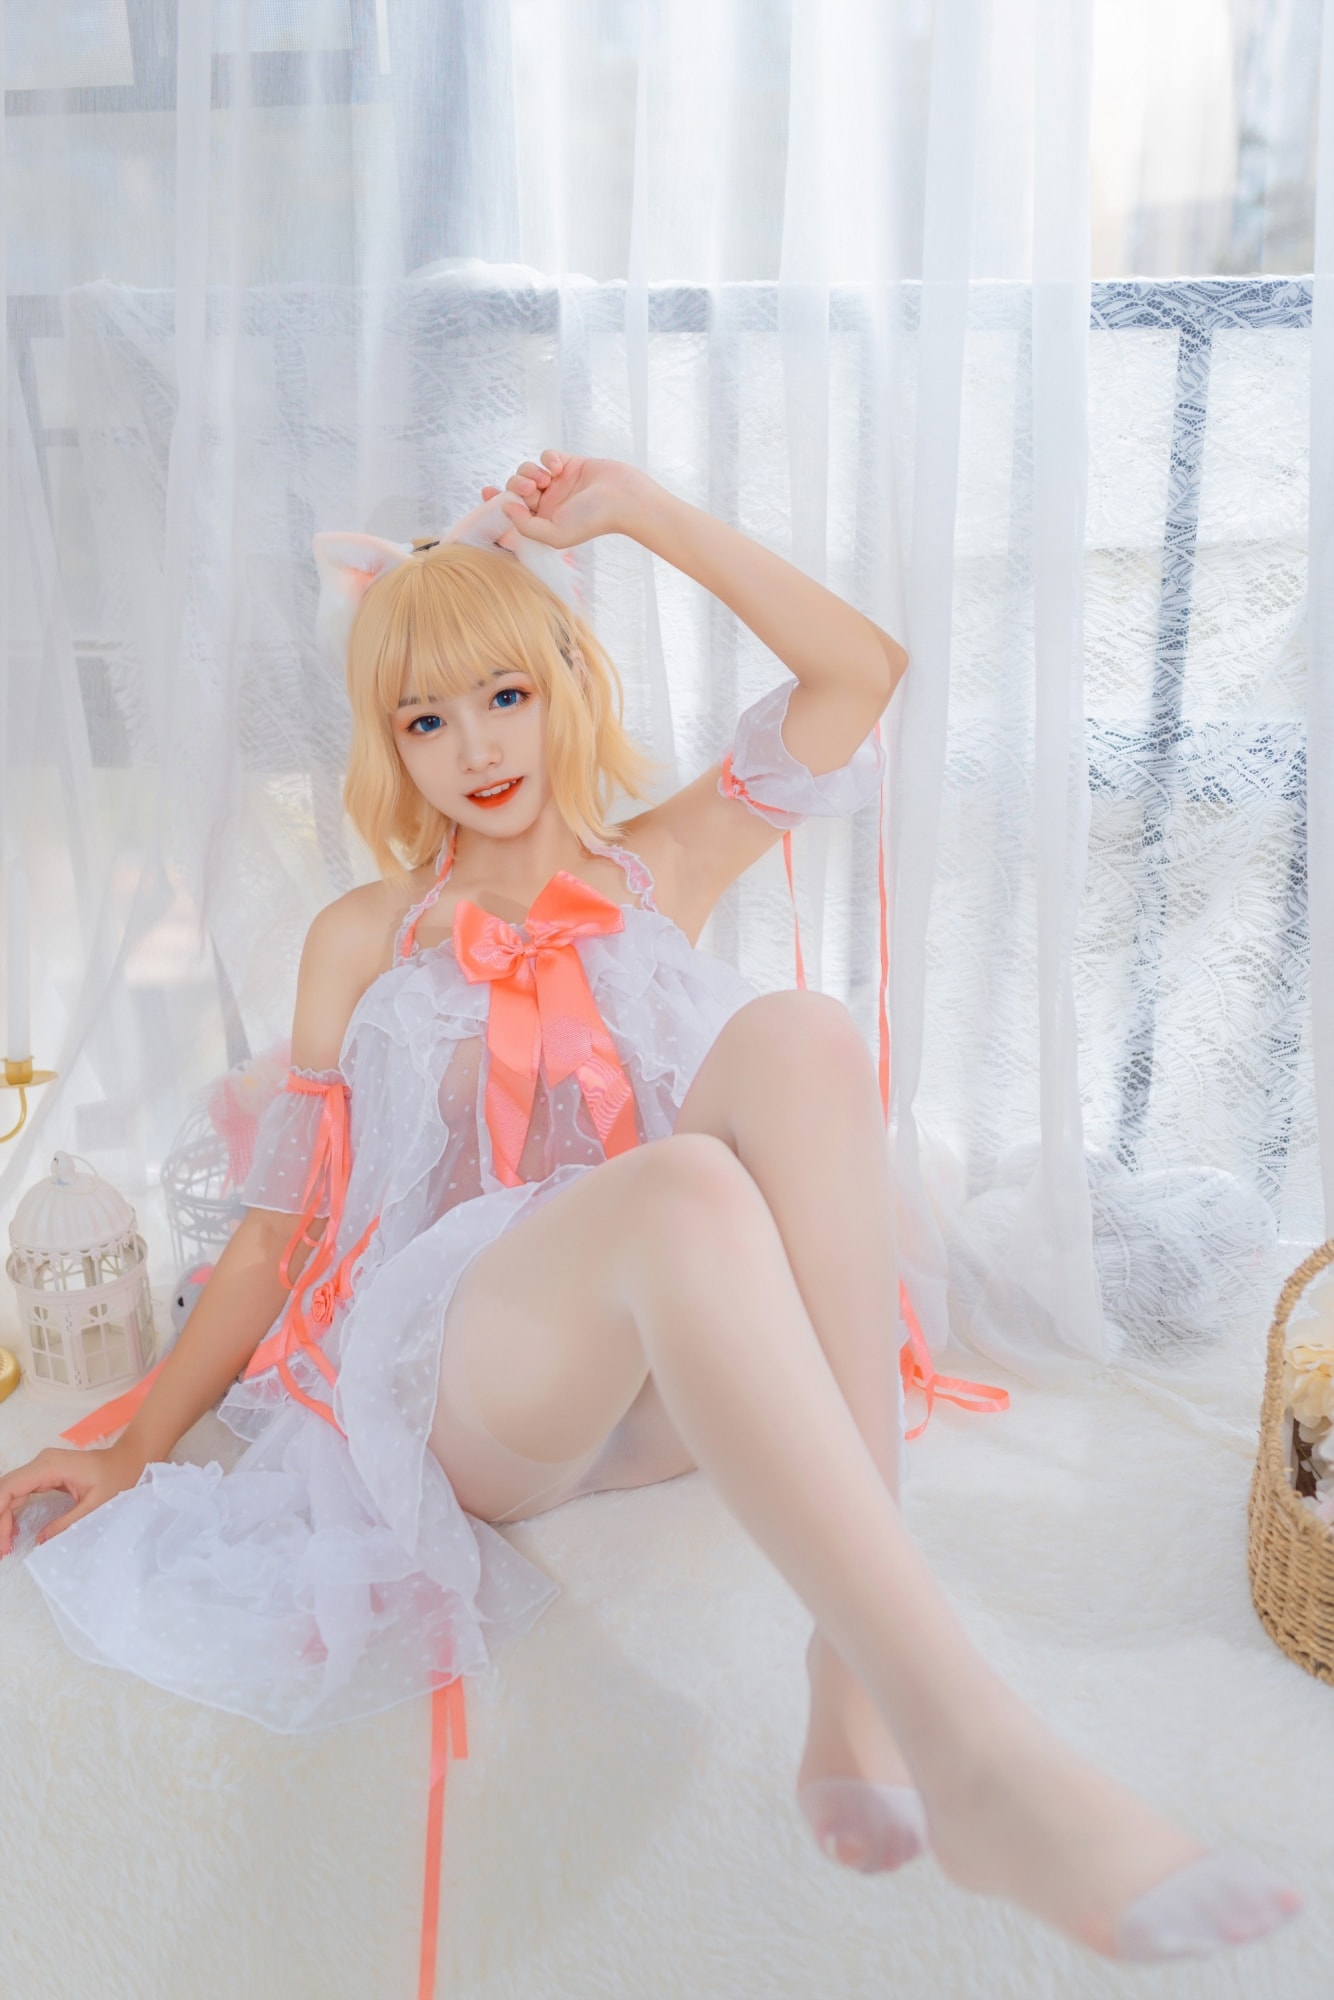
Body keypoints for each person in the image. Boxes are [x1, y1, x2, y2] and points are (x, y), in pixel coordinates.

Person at [0, 452, 1299, 1964]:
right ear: (388, 745)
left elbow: (859, 674)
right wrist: (133, 1441)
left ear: (568, 680)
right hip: (475, 1386)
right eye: (425, 719)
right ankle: (979, 1751)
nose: (475, 747)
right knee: (679, 1180)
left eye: (504, 695)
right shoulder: (362, 938)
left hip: (684, 1365)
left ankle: (851, 1676)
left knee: (803, 1036)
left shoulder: (662, 862)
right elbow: (278, 1237)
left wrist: (643, 515)